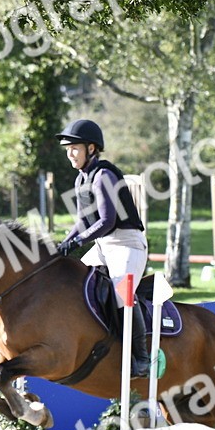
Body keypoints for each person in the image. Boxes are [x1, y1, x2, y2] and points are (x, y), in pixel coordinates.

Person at [54, 118, 150, 377]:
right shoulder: (81, 180)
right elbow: (82, 222)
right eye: (67, 149)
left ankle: (142, 358)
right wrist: (64, 245)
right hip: (104, 245)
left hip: (126, 243)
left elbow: (107, 222)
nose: (70, 153)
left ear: (92, 148)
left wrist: (77, 242)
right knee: (72, 284)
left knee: (122, 293)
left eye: (74, 148)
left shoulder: (104, 175)